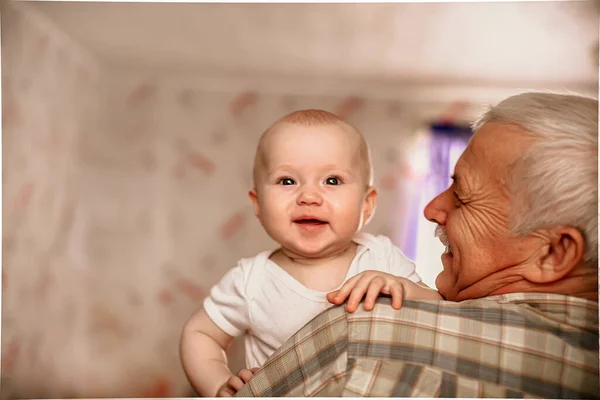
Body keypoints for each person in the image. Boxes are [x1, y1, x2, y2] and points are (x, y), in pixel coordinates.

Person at [234, 92, 600, 398]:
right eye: (286, 181)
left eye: (463, 195)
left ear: (553, 253)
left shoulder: (362, 332)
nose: (431, 208)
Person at [179, 109, 441, 397]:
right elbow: (200, 334)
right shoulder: (250, 280)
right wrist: (217, 384)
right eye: (287, 181)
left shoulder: (383, 259)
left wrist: (405, 288)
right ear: (258, 205)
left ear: (366, 205)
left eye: (332, 181)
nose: (309, 197)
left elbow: (442, 309)